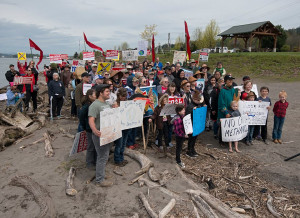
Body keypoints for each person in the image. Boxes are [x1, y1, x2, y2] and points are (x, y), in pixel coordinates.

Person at [88, 84, 113, 187]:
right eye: (107, 91)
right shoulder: (95, 105)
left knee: (105, 155)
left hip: (108, 134)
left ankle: (101, 174)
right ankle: (99, 180)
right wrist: (94, 130)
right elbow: (91, 119)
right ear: (101, 93)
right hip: (99, 135)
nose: (109, 93)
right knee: (102, 156)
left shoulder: (107, 103)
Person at [218, 75, 239, 145]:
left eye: (231, 80)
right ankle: (222, 141)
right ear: (225, 81)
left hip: (232, 111)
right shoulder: (223, 91)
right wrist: (226, 112)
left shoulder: (233, 89)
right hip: (224, 112)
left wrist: (238, 95)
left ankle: (230, 140)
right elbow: (221, 104)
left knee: (230, 126)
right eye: (229, 80)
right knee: (223, 127)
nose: (230, 81)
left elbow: (235, 100)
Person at [79, 89, 97, 169]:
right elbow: (81, 117)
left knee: (96, 145)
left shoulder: (94, 104)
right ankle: (89, 162)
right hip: (89, 128)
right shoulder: (86, 106)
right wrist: (84, 127)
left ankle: (95, 160)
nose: (96, 96)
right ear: (90, 96)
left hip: (95, 128)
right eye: (95, 95)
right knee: (90, 146)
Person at [185, 90, 205, 158]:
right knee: (191, 138)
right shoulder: (190, 106)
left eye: (199, 100)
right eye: (197, 100)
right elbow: (188, 116)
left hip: (196, 125)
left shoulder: (198, 105)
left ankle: (192, 149)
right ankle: (189, 150)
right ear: (193, 99)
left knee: (194, 138)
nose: (198, 101)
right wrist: (193, 111)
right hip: (191, 125)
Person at [114, 88, 130, 166]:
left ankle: (121, 157)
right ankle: (117, 159)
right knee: (119, 144)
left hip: (126, 126)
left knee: (123, 143)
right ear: (118, 95)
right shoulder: (116, 103)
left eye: (125, 96)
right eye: (122, 96)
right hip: (119, 126)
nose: (123, 98)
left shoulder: (127, 102)